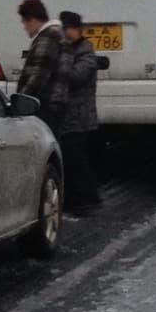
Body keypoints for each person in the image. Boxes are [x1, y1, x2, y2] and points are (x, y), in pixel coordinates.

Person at [55, 12, 101, 212]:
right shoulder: (65, 50)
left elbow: (76, 78)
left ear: (76, 29)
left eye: (67, 29)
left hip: (79, 117)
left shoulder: (86, 52)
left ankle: (88, 199)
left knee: (77, 160)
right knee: (69, 159)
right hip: (66, 116)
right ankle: (75, 200)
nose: (64, 34)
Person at [16, 0, 66, 127]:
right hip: (54, 103)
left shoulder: (48, 36)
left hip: (46, 104)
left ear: (32, 20)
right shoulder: (56, 33)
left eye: (24, 23)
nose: (24, 27)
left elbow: (39, 74)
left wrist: (22, 100)